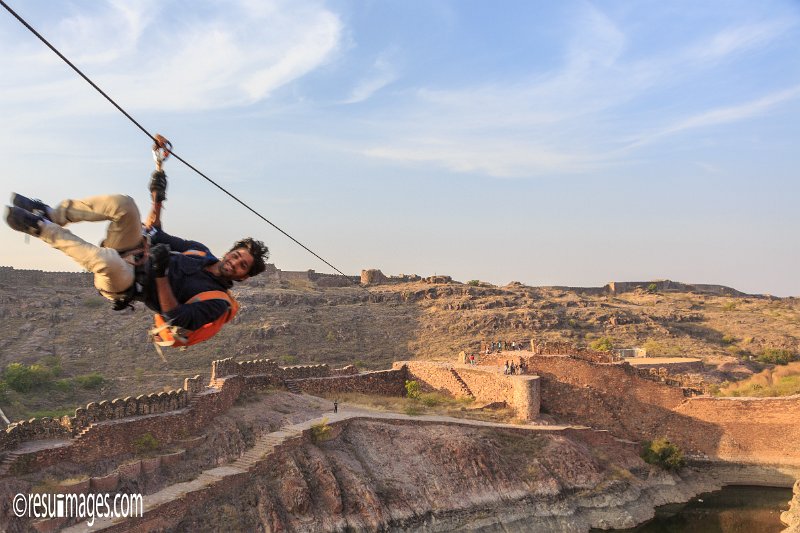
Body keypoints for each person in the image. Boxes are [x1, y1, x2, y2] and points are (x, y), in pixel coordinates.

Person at [5, 190, 268, 348]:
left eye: (241, 265)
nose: (234, 262)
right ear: (229, 252)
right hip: (133, 252)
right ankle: (52, 213)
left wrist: (162, 274)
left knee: (107, 260)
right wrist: (157, 196)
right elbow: (156, 233)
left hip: (127, 284)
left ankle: (39, 228)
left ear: (243, 276)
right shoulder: (199, 251)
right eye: (236, 256)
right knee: (125, 204)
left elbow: (176, 317)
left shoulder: (216, 302)